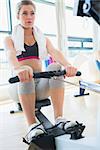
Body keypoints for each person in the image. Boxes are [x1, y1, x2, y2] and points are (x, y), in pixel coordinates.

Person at [4, 0, 77, 143]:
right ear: (18, 15)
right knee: (27, 70)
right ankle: (32, 125)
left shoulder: (42, 38)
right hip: (19, 85)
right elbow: (10, 54)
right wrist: (18, 68)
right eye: (24, 13)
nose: (29, 17)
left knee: (55, 68)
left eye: (32, 13)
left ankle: (59, 119)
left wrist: (68, 65)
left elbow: (54, 52)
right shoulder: (10, 39)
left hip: (39, 86)